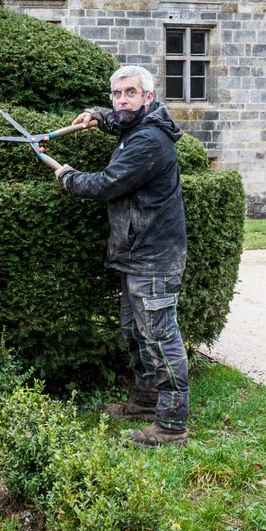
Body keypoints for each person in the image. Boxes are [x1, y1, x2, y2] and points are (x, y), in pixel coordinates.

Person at [54, 65, 189, 447]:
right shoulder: (136, 125)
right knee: (135, 333)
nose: (122, 100)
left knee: (160, 337)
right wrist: (97, 115)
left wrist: (68, 176)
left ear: (148, 97)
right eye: (116, 94)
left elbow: (107, 183)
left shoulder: (150, 142)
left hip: (154, 257)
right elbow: (121, 120)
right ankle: (147, 401)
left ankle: (171, 425)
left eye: (130, 93)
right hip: (135, 252)